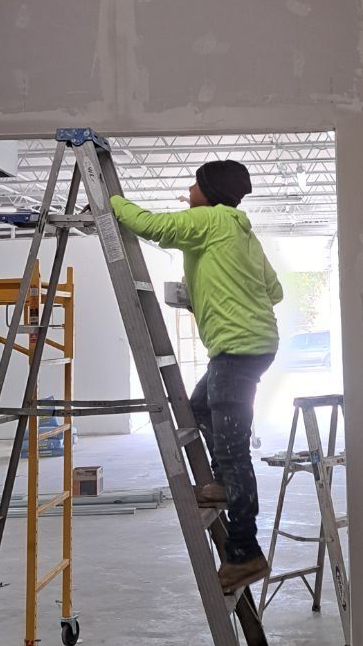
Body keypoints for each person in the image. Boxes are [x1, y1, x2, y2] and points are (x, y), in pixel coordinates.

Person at [110, 159, 283, 593]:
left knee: (234, 450)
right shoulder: (241, 230)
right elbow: (275, 291)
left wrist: (109, 201)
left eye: (194, 184)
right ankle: (222, 484)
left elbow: (152, 226)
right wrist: (211, 291)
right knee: (200, 406)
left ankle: (245, 553)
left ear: (210, 191)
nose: (188, 190)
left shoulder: (208, 220)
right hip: (254, 346)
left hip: (236, 350)